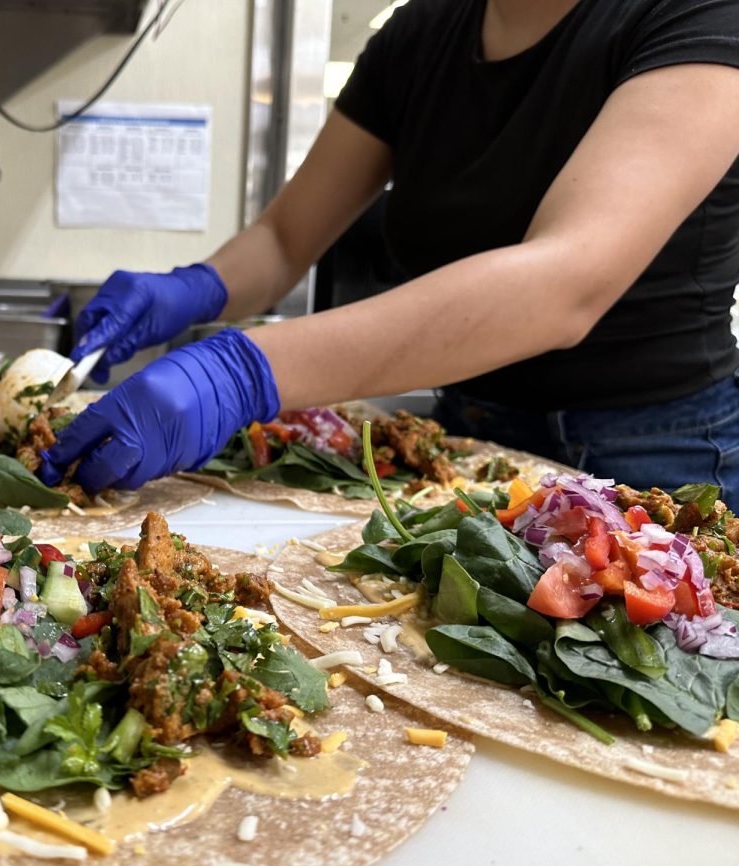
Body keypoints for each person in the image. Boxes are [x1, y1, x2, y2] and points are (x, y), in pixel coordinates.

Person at [40, 0, 739, 500]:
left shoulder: (697, 16)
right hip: (462, 440)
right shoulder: (421, 31)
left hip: (657, 457)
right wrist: (198, 284)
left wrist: (242, 371)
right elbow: (285, 239)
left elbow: (565, 284)